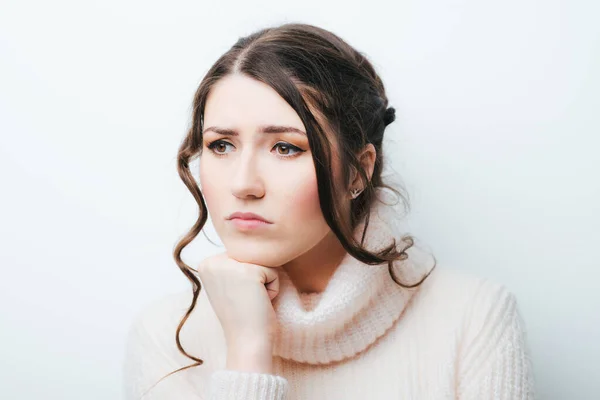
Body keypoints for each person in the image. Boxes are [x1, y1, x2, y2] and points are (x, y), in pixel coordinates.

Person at [122, 22, 536, 399]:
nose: (243, 184)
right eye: (221, 145)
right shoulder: (168, 335)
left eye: (286, 147)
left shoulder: (474, 318)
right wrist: (249, 348)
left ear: (358, 171)